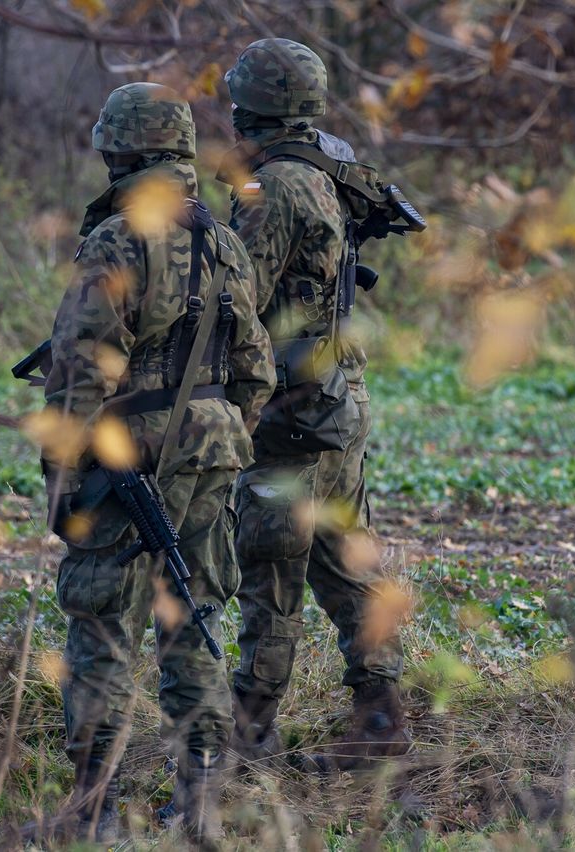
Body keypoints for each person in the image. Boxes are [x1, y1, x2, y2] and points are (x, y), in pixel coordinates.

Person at [38, 82, 274, 844]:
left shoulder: (115, 241)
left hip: (124, 459)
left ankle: (94, 809)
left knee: (103, 626)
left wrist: (65, 479)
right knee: (194, 620)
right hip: (214, 456)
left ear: (120, 149)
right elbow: (256, 372)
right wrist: (223, 432)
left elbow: (79, 372)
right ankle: (199, 805)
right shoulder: (220, 238)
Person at [223, 38, 410, 770]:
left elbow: (237, 305)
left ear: (250, 107)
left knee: (270, 578)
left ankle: (247, 746)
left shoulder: (275, 189)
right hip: (338, 401)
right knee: (344, 568)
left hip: (295, 418)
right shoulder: (327, 167)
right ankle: (382, 723)